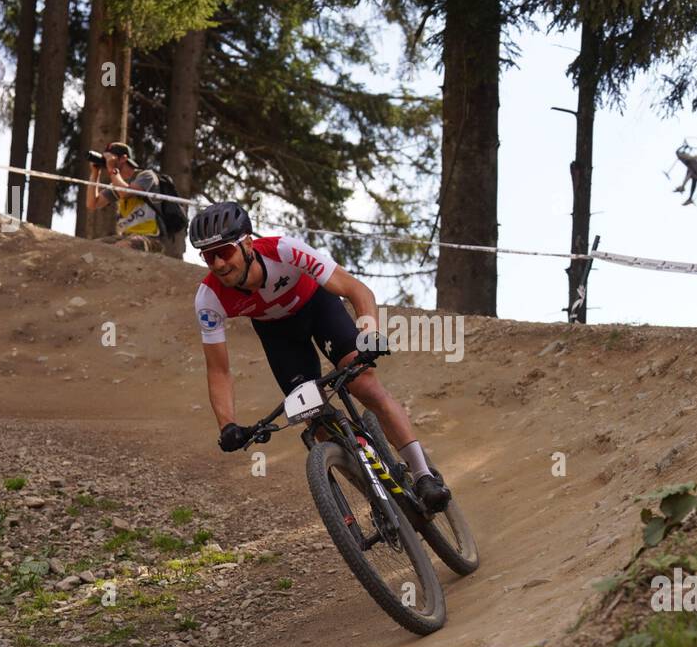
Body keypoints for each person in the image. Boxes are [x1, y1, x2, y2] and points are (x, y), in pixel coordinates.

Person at [192, 201, 452, 513]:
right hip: (279, 335)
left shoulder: (283, 251)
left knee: (365, 385)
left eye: (225, 251)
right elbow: (218, 370)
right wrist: (227, 425)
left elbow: (355, 289)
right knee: (311, 417)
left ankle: (424, 475)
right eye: (209, 256)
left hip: (318, 307)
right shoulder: (209, 299)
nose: (218, 263)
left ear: (247, 243)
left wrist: (368, 333)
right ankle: (376, 496)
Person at [86, 142, 164, 253]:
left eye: (110, 158)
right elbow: (92, 203)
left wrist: (112, 168)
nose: (107, 161)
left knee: (121, 247)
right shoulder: (117, 185)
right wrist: (95, 173)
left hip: (151, 238)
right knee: (90, 248)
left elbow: (125, 193)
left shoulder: (146, 176)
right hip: (127, 237)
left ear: (123, 158)